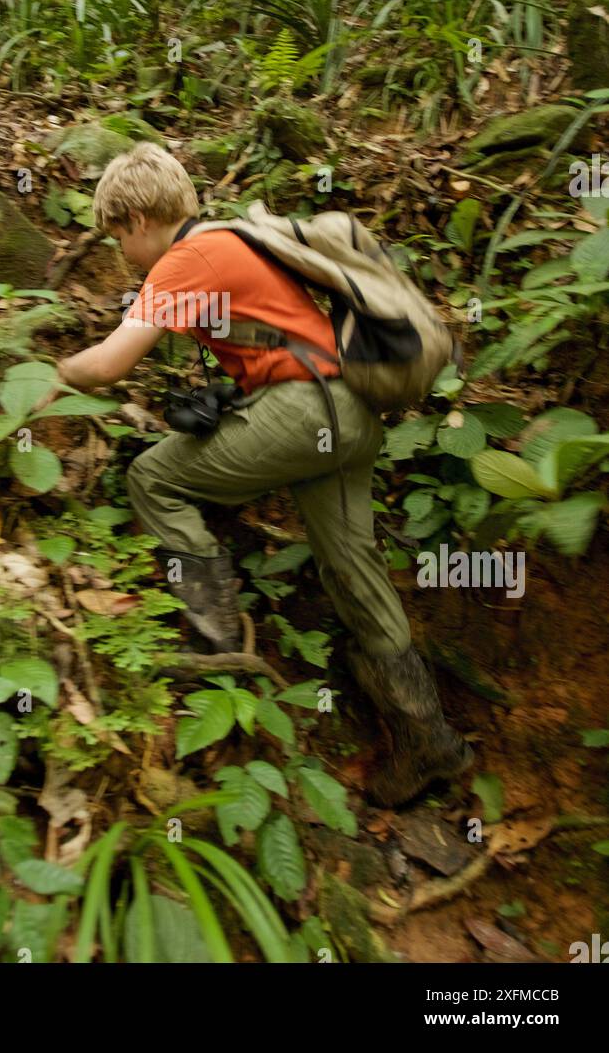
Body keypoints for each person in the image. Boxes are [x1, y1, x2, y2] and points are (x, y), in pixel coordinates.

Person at [49, 142, 473, 808]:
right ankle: (430, 743)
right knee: (352, 572)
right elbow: (271, 339)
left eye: (116, 237)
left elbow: (108, 365)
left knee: (154, 479)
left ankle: (214, 654)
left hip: (307, 414)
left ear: (135, 219)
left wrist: (53, 373)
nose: (121, 254)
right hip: (350, 418)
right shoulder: (229, 242)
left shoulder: (185, 258)